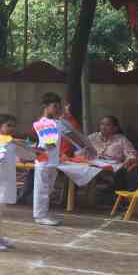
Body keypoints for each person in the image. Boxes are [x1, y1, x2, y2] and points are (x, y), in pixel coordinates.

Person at [32, 92, 95, 226]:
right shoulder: (42, 122)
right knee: (42, 190)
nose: (58, 109)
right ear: (46, 107)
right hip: (44, 161)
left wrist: (86, 147)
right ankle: (40, 216)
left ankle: (43, 212)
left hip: (53, 161)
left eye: (59, 106)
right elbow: (49, 143)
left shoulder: (57, 122)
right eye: (54, 106)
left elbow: (72, 135)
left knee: (48, 189)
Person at [0, 114, 41, 251]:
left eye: (13, 126)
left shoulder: (10, 142)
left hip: (6, 178)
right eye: (8, 125)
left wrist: (36, 154)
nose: (11, 128)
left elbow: (24, 154)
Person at [88, 115, 138, 191]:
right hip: (93, 166)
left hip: (113, 169)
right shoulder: (93, 137)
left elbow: (131, 154)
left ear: (115, 128)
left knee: (129, 173)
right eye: (102, 124)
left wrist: (129, 160)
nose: (103, 127)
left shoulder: (121, 139)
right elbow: (82, 150)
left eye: (107, 125)